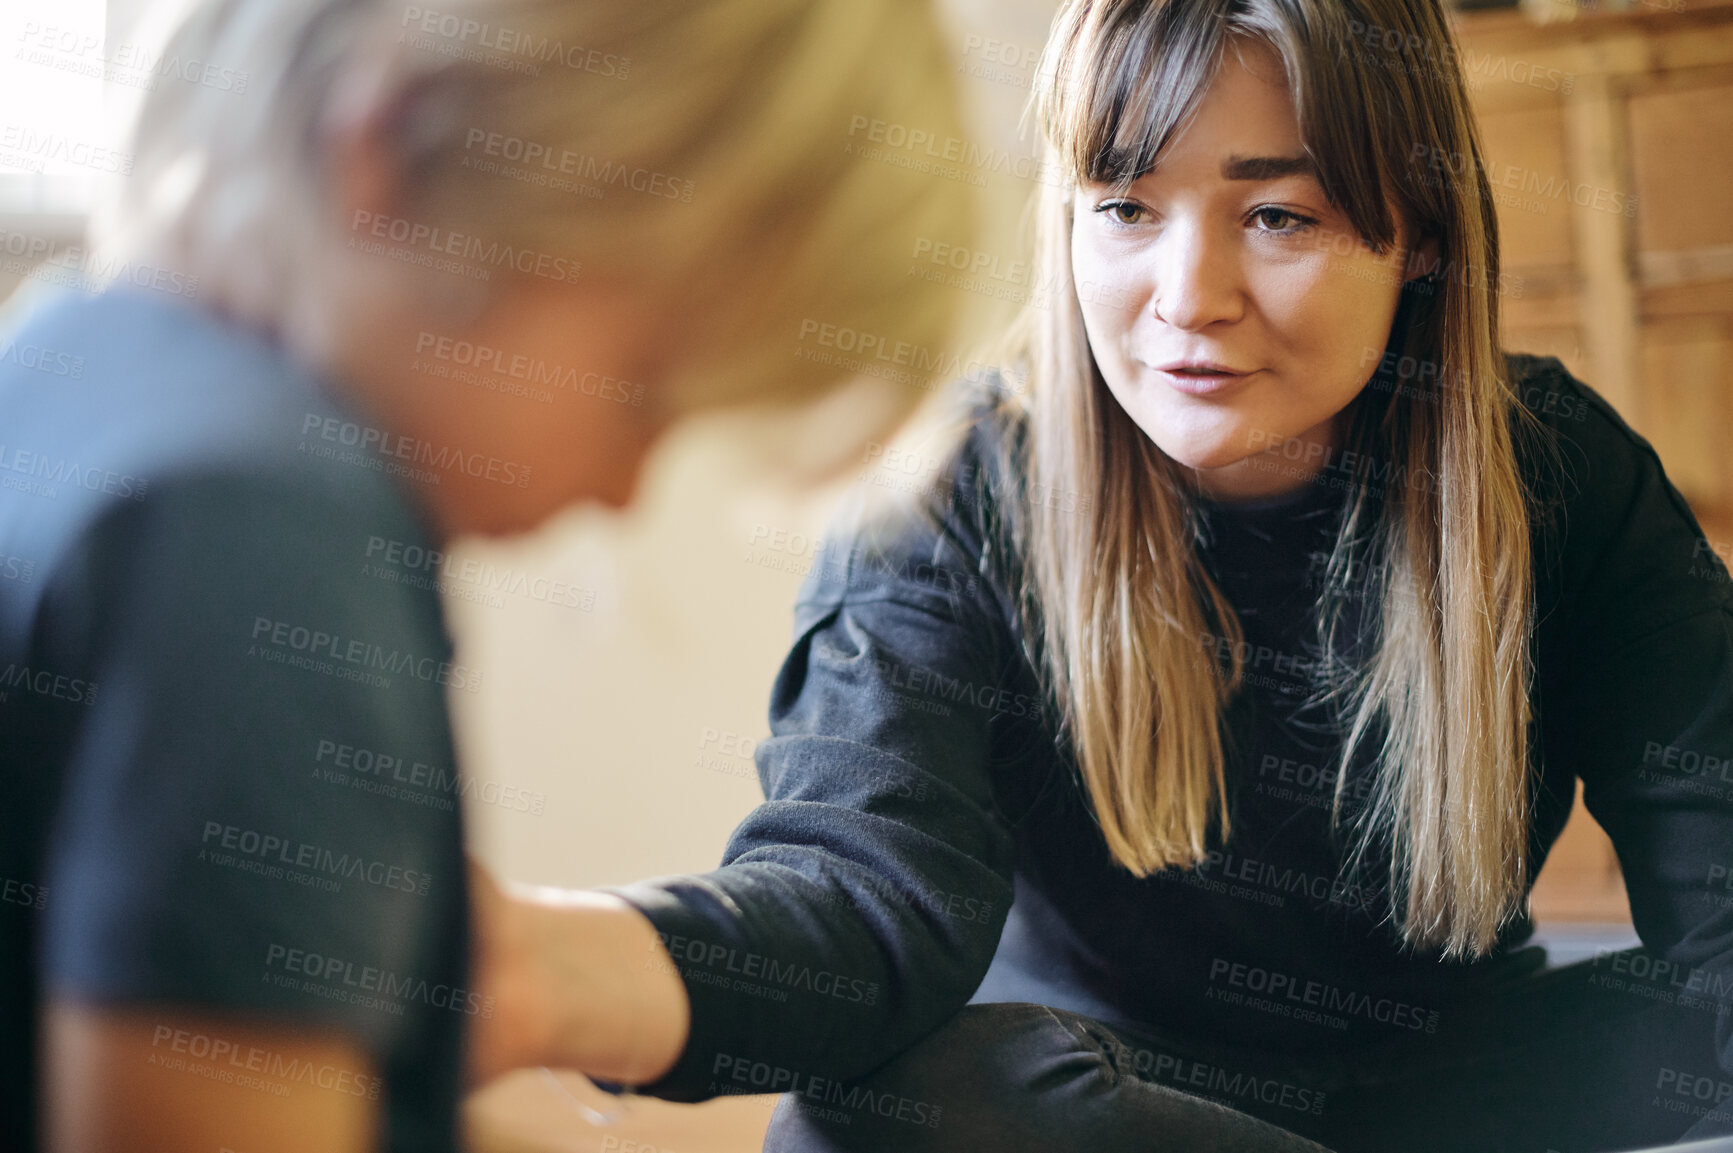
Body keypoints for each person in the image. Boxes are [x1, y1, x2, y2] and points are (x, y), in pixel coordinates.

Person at [473, 1, 1733, 1151]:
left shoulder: (1553, 470)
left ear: (1416, 234)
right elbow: (857, 905)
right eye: (1125, 207)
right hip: (1116, 1106)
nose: (1188, 299)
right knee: (886, 1105)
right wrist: (529, 966)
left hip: (1460, 1082)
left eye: (1276, 214)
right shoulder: (958, 489)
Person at [0, 1, 971, 1150]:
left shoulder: (69, 359)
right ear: (402, 149)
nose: (623, 493)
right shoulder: (272, 538)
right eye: (643, 391)